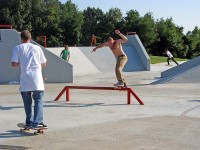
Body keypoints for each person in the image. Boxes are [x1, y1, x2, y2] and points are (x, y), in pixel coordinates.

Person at [11, 30, 47, 129]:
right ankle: (37, 122)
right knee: (38, 100)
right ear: (30, 38)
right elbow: (44, 64)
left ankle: (29, 122)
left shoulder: (17, 48)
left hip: (25, 79)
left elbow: (14, 64)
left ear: (21, 38)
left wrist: (21, 63)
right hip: (37, 80)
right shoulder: (37, 48)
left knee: (27, 102)